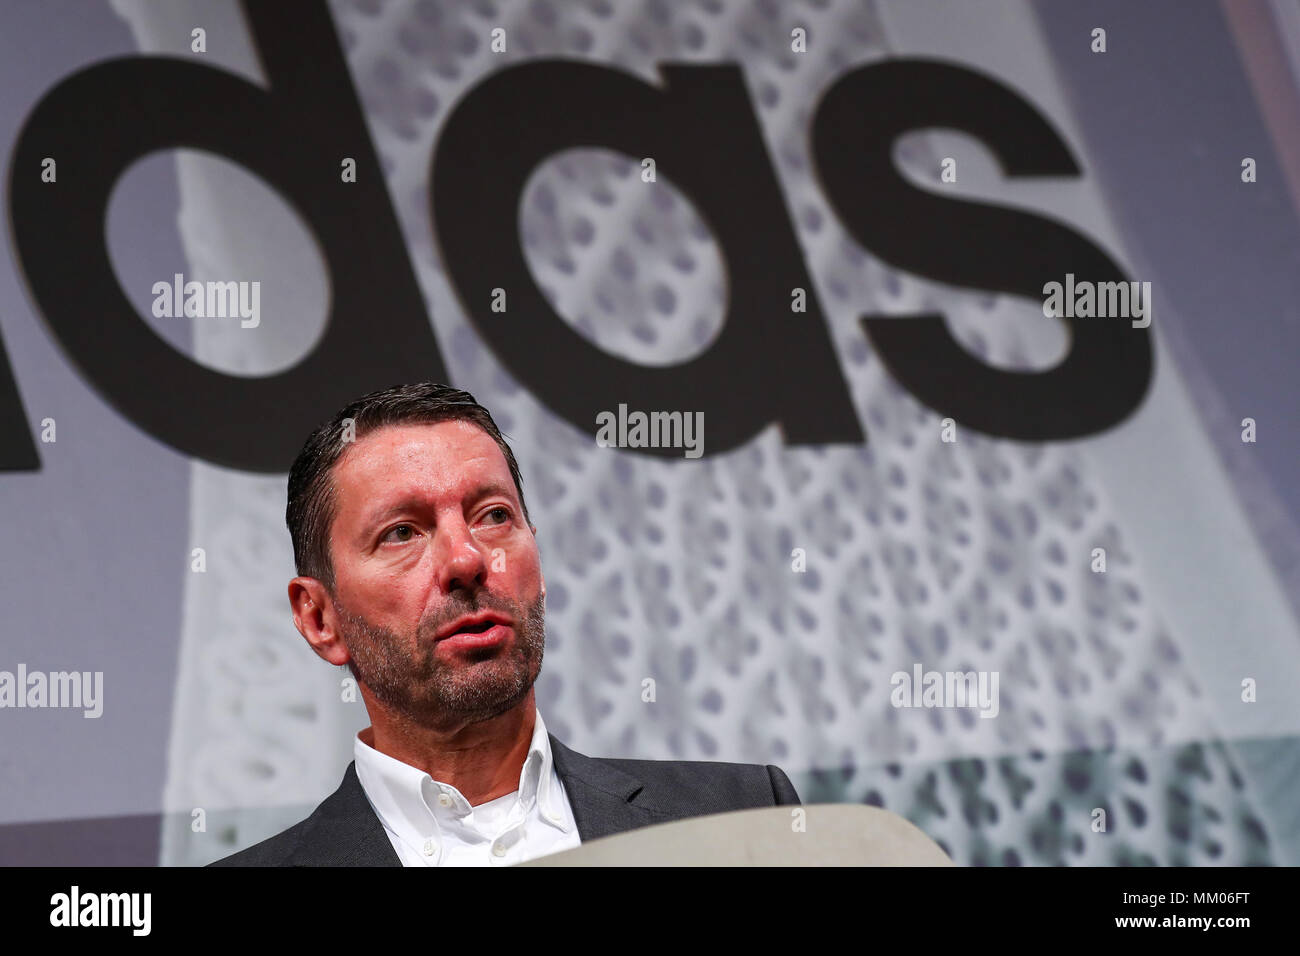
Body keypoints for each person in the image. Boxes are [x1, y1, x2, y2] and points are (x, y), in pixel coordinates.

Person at [210, 382, 800, 866]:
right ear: (319, 618)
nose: (467, 560)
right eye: (402, 532)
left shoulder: (743, 820)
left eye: (493, 516)